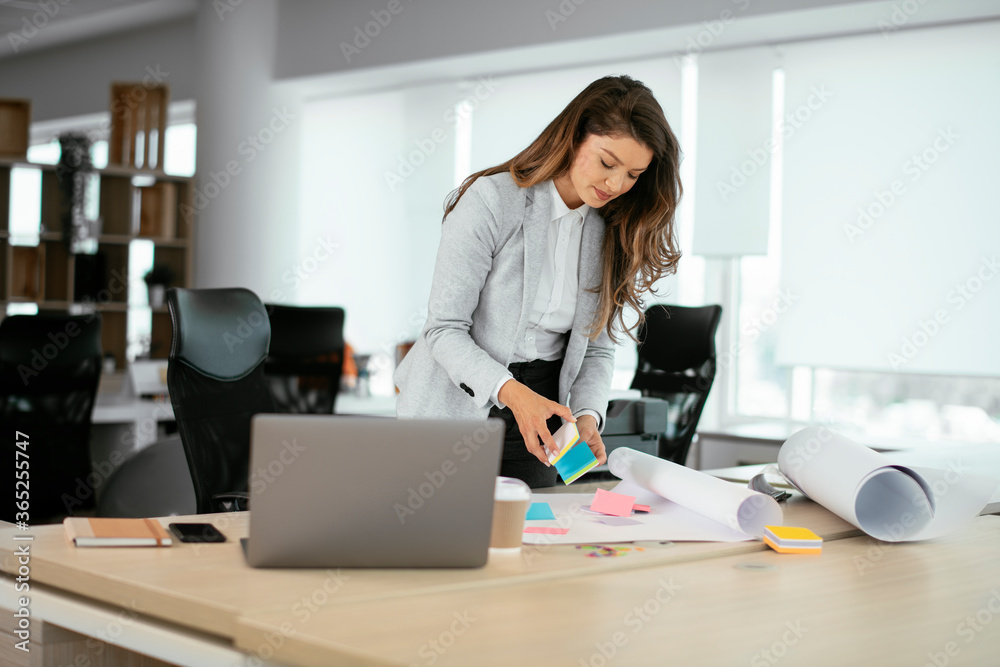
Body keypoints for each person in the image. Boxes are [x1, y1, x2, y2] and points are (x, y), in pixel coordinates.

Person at [394, 75, 682, 488]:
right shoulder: (492, 201)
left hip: (543, 410)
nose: (616, 185)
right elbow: (444, 330)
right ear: (574, 137)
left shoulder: (615, 228)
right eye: (607, 163)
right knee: (441, 539)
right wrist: (512, 393)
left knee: (536, 540)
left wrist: (587, 415)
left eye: (634, 174)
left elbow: (596, 350)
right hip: (454, 400)